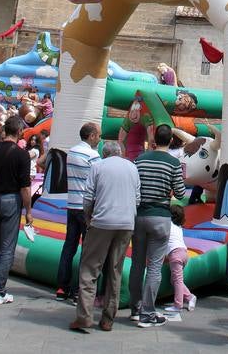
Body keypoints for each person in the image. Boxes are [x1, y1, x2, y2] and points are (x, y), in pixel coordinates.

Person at [69, 140, 140, 333]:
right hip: (126, 223)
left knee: (90, 269)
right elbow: (137, 198)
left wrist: (88, 217)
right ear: (120, 152)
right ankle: (108, 318)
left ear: (105, 153)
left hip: (102, 222)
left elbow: (88, 196)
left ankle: (84, 316)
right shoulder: (132, 167)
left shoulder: (98, 166)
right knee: (114, 270)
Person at [128, 123, 188, 328]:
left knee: (137, 263)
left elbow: (133, 186)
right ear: (170, 140)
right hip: (161, 217)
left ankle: (135, 309)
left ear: (153, 140)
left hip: (138, 216)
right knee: (154, 266)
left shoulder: (140, 159)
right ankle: (148, 313)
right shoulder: (173, 163)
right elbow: (180, 193)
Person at [0, 115, 34, 304]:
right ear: (20, 131)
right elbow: (25, 188)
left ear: (5, 130)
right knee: (7, 247)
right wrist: (28, 211)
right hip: (11, 200)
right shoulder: (22, 155)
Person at [56, 122, 101, 302]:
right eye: (98, 135)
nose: (99, 138)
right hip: (86, 206)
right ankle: (78, 290)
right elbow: (99, 178)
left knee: (69, 246)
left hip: (72, 203)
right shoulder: (93, 155)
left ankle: (62, 286)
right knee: (87, 249)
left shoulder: (72, 152)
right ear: (91, 136)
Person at [163, 204, 196, 313]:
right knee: (175, 280)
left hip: (175, 254)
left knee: (177, 280)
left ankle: (178, 305)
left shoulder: (168, 225)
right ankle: (190, 297)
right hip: (184, 253)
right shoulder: (178, 227)